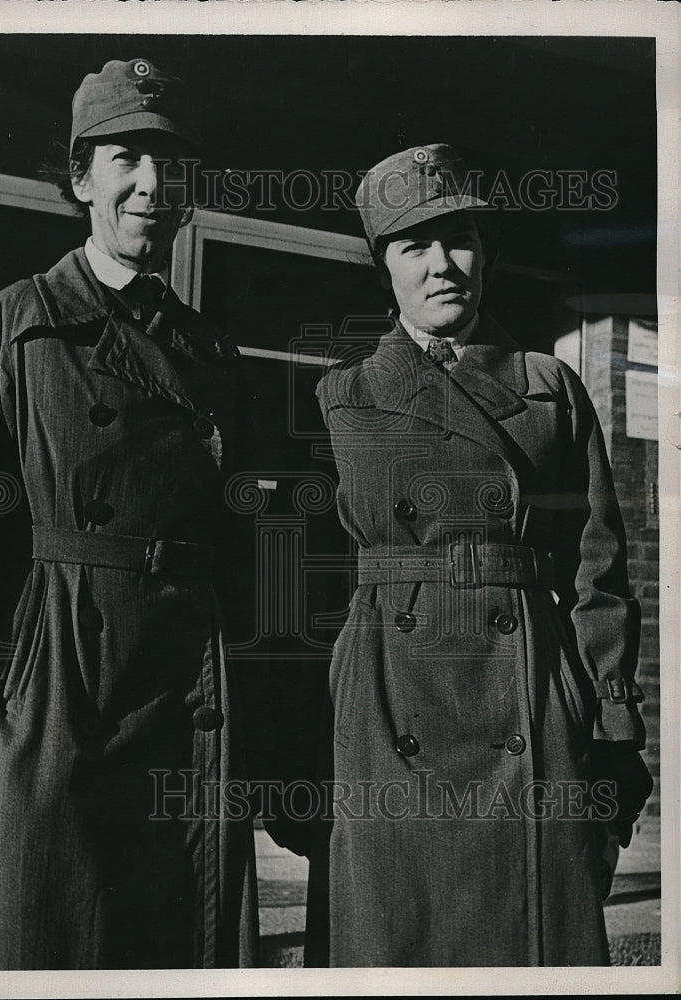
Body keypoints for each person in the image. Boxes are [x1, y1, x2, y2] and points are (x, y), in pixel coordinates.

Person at [0, 58, 258, 970]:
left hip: (183, 687)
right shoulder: (20, 323)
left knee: (164, 943)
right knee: (52, 932)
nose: (152, 184)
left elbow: (244, 549)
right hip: (57, 681)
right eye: (127, 157)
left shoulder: (210, 351)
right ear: (81, 178)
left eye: (173, 165)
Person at [305, 143, 653, 967]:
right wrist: (303, 735)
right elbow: (303, 585)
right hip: (390, 704)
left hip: (528, 698)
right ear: (382, 266)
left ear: (485, 250)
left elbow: (597, 572)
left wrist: (607, 723)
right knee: (398, 942)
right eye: (413, 244)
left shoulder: (550, 387)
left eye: (457, 238)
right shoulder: (340, 397)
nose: (441, 265)